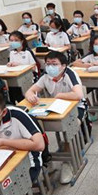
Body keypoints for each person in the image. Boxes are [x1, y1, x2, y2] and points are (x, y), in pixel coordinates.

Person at [24, 51, 85, 184]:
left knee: (70, 128)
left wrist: (59, 96)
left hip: (77, 108)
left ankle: (68, 162)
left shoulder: (70, 74)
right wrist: (31, 96)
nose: (50, 67)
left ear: (63, 65)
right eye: (48, 64)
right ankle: (47, 160)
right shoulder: (46, 76)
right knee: (37, 130)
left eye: (54, 64)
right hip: (56, 108)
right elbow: (30, 91)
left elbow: (79, 95)